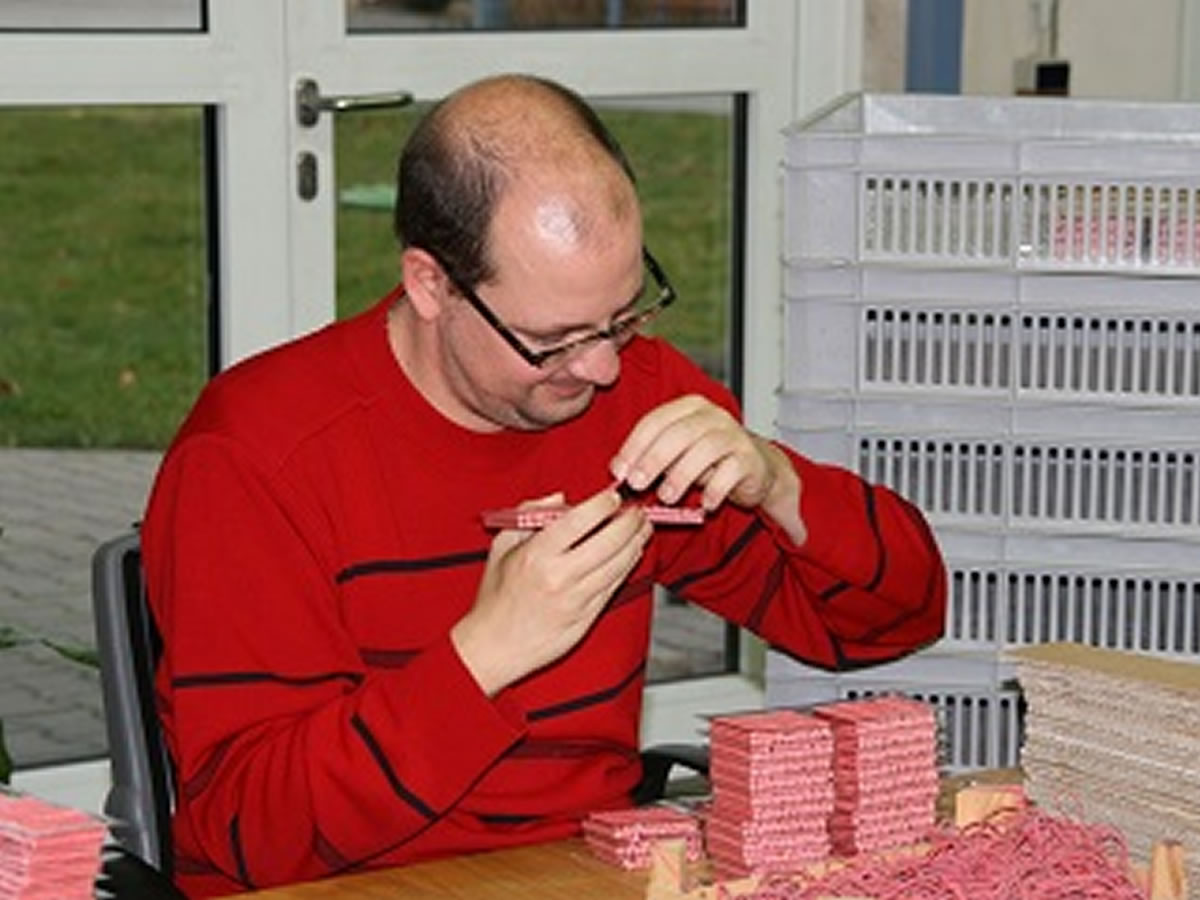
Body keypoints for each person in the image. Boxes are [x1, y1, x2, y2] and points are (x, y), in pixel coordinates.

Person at [141, 73, 947, 897]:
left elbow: (890, 625)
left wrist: (781, 484)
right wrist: (489, 650)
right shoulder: (255, 458)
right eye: (551, 340)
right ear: (432, 285)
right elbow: (248, 837)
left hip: (577, 874)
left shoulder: (636, 398)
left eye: (625, 315)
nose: (600, 369)